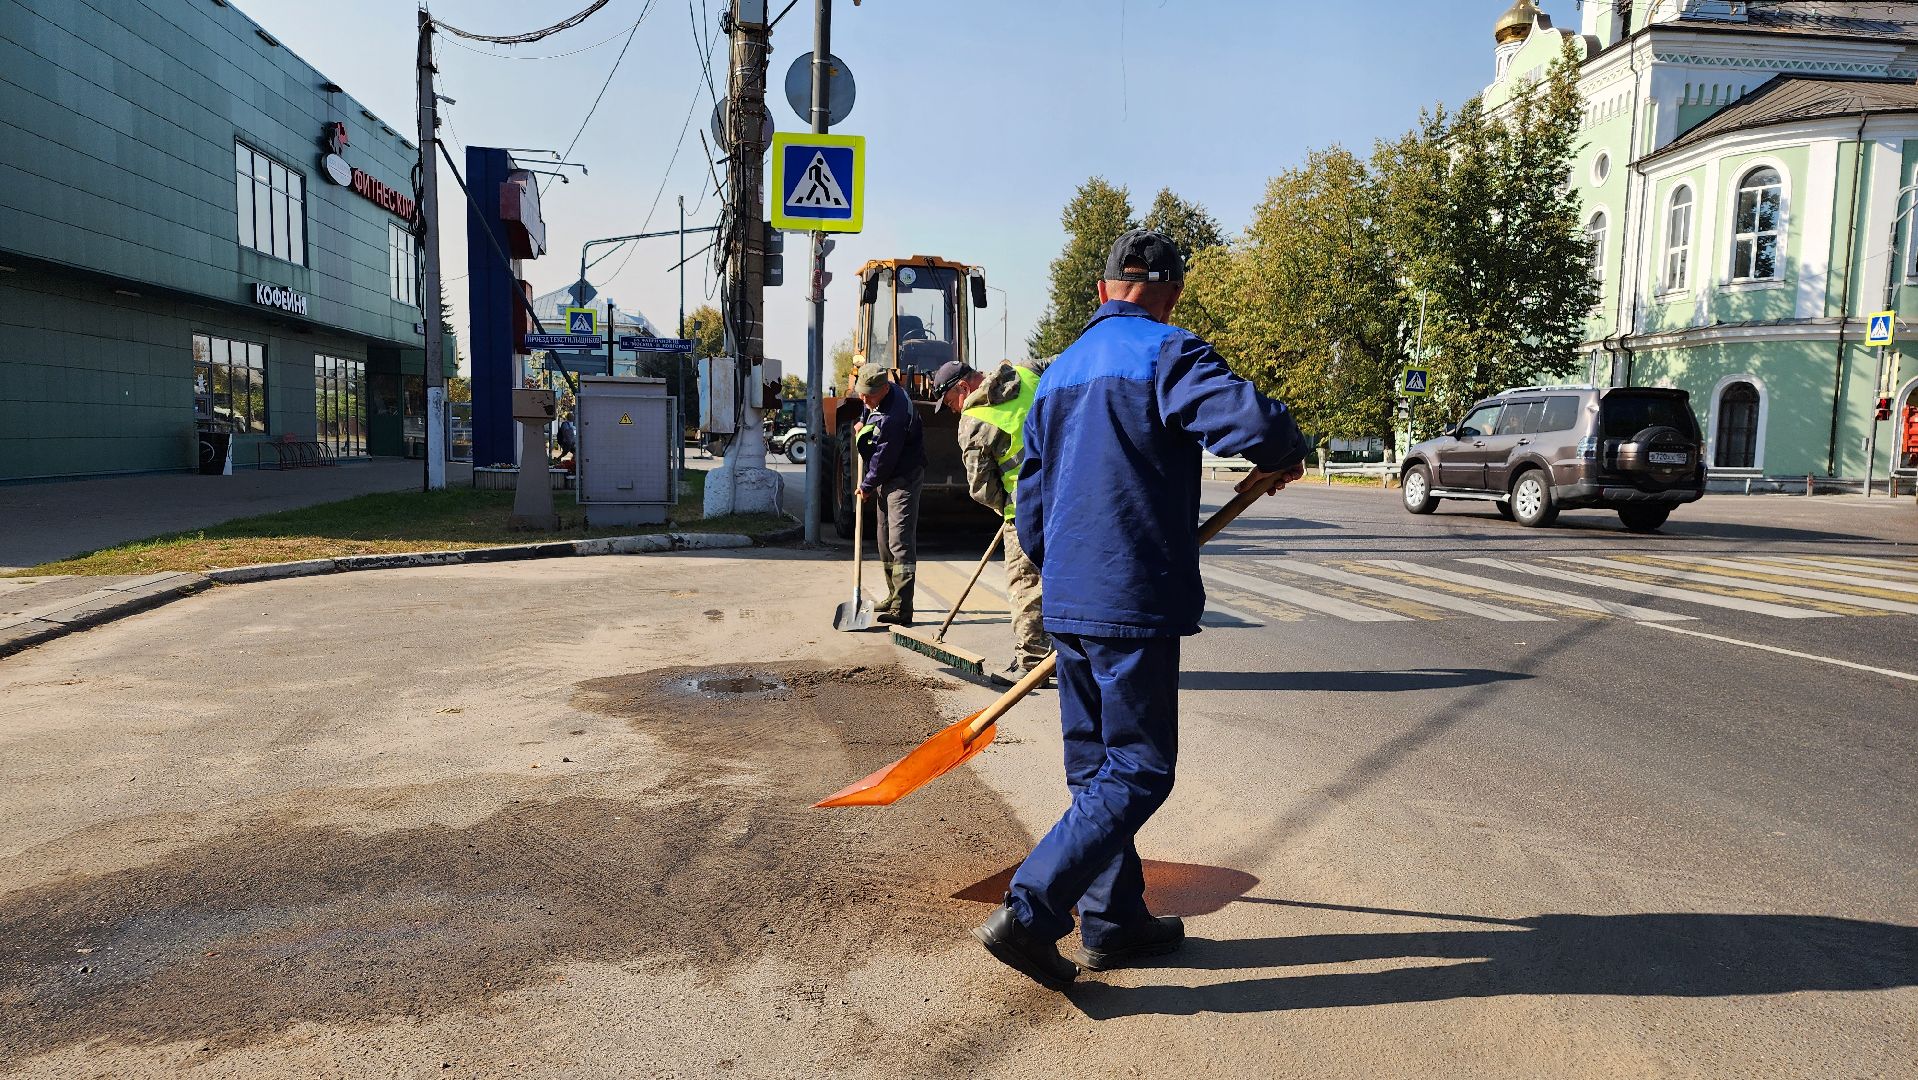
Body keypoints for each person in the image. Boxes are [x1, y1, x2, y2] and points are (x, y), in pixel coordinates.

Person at [971, 229, 1309, 990]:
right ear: (1173, 295)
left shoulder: (1055, 375)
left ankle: (1114, 920)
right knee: (1140, 769)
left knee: (1095, 767)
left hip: (1069, 596)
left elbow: (1029, 506)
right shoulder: (1167, 352)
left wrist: (1067, 575)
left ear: (1100, 291)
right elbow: (1256, 427)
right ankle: (1030, 911)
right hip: (1132, 598)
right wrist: (1285, 446)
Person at [933, 358, 1047, 686]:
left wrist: (1007, 506)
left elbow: (982, 489)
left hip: (1029, 508)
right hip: (1075, 495)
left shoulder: (973, 421)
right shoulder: (1029, 372)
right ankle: (1072, 654)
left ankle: (1031, 661)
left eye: (950, 402)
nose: (953, 409)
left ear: (963, 388)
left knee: (1026, 584)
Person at [852, 365, 926, 626]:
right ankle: (893, 595)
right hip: (887, 476)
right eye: (861, 394)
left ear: (884, 389)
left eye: (868, 395)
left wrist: (868, 484)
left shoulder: (895, 416)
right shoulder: (879, 395)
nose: (863, 399)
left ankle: (902, 608)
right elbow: (868, 408)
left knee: (900, 542)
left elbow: (885, 458)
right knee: (883, 539)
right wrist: (863, 419)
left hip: (903, 477)